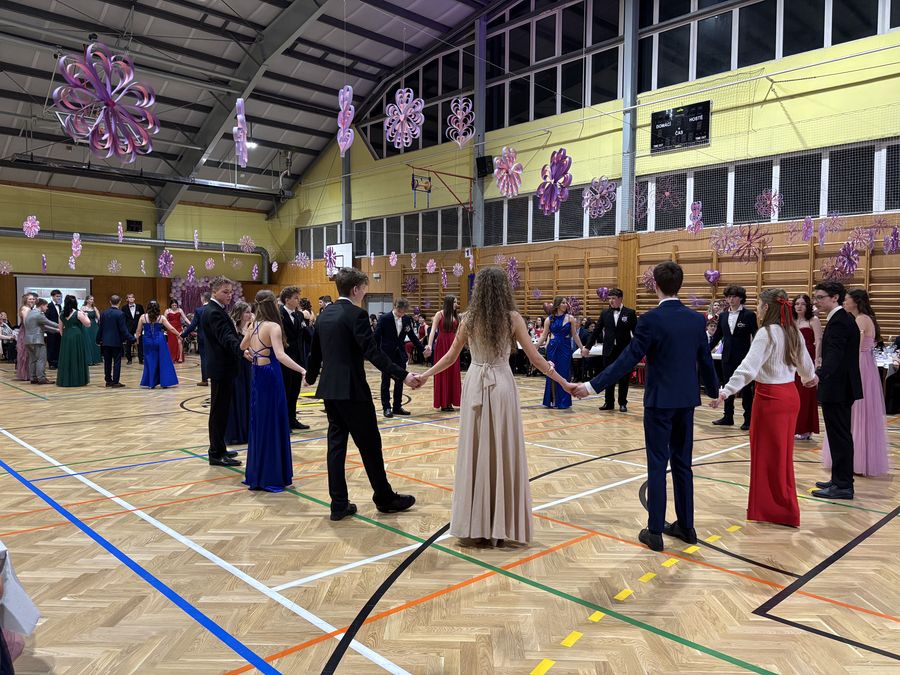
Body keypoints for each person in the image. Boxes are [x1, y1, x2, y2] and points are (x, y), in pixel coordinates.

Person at [570, 262, 719, 552]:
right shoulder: (696, 319)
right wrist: (715, 392)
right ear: (679, 285)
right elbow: (704, 359)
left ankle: (655, 531)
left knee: (657, 463)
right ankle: (687, 526)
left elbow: (627, 359)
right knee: (683, 464)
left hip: (659, 401)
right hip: (686, 400)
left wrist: (591, 386)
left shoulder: (651, 320)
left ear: (656, 286)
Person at [417, 267, 569, 545]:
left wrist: (425, 375)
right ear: (503, 290)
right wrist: (564, 382)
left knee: (475, 449)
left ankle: (475, 523)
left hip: (476, 382)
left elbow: (450, 357)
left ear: (479, 291)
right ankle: (500, 523)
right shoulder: (512, 318)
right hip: (501, 384)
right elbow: (536, 359)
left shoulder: (468, 318)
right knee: (502, 447)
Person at [304, 267, 418, 521]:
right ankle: (384, 498)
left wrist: (310, 377)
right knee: (370, 446)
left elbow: (315, 353)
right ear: (355, 289)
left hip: (330, 391)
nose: (365, 294)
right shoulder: (357, 314)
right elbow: (373, 353)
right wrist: (403, 375)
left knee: (336, 447)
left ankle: (338, 504)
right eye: (364, 289)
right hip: (353, 391)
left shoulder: (324, 314)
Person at [711, 289, 817, 527]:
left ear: (767, 308)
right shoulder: (793, 331)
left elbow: (748, 368)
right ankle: (780, 507)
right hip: (790, 397)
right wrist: (810, 377)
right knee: (781, 456)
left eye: (759, 305)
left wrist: (726, 391)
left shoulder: (766, 333)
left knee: (767, 456)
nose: (757, 309)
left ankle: (776, 509)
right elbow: (806, 367)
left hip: (771, 399)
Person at [240, 291, 308, 492]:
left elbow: (242, 346)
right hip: (270, 375)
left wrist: (250, 353)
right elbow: (280, 355)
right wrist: (302, 369)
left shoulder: (253, 325)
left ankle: (257, 473)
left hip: (257, 375)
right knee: (273, 423)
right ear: (273, 305)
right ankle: (272, 475)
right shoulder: (273, 326)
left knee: (260, 422)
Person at [822, 289, 889, 477]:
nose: (844, 303)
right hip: (865, 364)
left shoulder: (860, 320)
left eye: (847, 300)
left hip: (859, 365)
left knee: (855, 412)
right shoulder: (864, 318)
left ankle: (854, 461)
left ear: (856, 302)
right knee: (859, 412)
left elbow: (853, 347)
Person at [811, 282, 862, 500]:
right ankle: (839, 479)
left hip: (838, 387)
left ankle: (843, 485)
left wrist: (819, 376)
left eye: (820, 297)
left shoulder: (840, 321)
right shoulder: (840, 318)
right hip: (839, 386)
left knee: (840, 436)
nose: (817, 301)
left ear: (835, 297)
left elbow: (835, 355)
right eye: (816, 297)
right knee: (838, 436)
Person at [201, 278, 247, 467]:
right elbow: (226, 337)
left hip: (223, 367)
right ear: (214, 292)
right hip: (221, 368)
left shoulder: (217, 309)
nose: (229, 295)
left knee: (222, 411)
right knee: (218, 412)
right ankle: (215, 453)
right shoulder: (213, 312)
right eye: (225, 292)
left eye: (230, 292)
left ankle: (220, 448)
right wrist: (242, 350)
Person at [709, 285, 757, 430]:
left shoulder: (749, 315)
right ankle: (728, 416)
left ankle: (748, 419)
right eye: (728, 297)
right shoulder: (723, 316)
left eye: (734, 296)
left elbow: (756, 336)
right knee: (727, 386)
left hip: (744, 357)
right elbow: (717, 336)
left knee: (746, 389)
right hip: (727, 357)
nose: (731, 299)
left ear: (741, 298)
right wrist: (705, 350)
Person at [583, 288, 637, 412]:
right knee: (608, 376)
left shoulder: (630, 313)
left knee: (624, 377)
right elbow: (596, 331)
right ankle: (609, 402)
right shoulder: (605, 313)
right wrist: (587, 347)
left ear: (620, 299)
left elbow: (636, 332)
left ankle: (622, 403)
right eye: (609, 298)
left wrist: (636, 349)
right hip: (609, 351)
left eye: (613, 298)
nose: (611, 301)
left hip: (624, 351)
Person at [374, 297, 425, 418]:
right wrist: (376, 353)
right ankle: (386, 407)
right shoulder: (384, 318)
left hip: (400, 354)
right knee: (385, 381)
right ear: (395, 307)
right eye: (399, 311)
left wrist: (422, 350)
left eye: (403, 312)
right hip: (386, 355)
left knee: (400, 381)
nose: (401, 314)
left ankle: (397, 406)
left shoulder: (406, 319)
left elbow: (412, 336)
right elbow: (376, 336)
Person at [536, 297, 585, 409]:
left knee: (564, 373)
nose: (565, 304)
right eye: (563, 303)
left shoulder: (570, 318)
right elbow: (544, 336)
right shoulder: (549, 319)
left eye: (566, 303)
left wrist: (582, 348)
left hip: (565, 348)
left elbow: (575, 335)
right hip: (553, 348)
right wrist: (535, 346)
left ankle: (563, 402)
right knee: (551, 372)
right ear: (557, 305)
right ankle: (553, 400)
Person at [279, 286, 310, 431]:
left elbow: (305, 334)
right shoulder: (279, 315)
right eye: (296, 298)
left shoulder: (298, 315)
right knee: (285, 391)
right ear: (287, 300)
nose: (298, 300)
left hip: (298, 358)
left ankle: (292, 419)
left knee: (295, 392)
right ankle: (283, 421)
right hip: (285, 359)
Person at [792, 294, 822, 440]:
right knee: (794, 394)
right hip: (793, 360)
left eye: (802, 304)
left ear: (808, 306)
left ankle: (806, 428)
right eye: (797, 304)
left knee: (806, 394)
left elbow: (819, 341)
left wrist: (817, 360)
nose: (799, 306)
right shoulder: (791, 321)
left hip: (808, 358)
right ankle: (794, 426)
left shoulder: (813, 320)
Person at [426, 295, 462, 412]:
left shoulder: (456, 316)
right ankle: (444, 402)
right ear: (449, 303)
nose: (456, 304)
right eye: (455, 302)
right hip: (442, 345)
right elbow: (433, 330)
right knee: (443, 371)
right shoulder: (439, 314)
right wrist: (429, 345)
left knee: (453, 372)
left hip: (454, 344)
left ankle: (451, 401)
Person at [225, 301, 254, 446]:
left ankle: (248, 431)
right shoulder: (233, 328)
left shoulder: (250, 327)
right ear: (240, 313)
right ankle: (237, 433)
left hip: (249, 366)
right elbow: (232, 347)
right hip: (237, 366)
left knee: (248, 396)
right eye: (247, 312)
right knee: (238, 397)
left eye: (250, 312)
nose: (249, 315)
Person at [135, 300, 181, 389]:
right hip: (159, 340)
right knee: (163, 361)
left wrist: (137, 340)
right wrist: (179, 335)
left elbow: (138, 331)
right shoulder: (161, 317)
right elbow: (171, 328)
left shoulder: (143, 317)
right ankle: (164, 382)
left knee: (150, 361)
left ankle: (151, 383)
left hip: (147, 341)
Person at [97, 294, 135, 388]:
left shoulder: (103, 313)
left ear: (110, 302)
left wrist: (98, 339)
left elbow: (100, 328)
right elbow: (123, 330)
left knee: (107, 362)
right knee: (117, 362)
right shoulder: (120, 314)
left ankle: (108, 380)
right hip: (116, 341)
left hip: (105, 342)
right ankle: (115, 381)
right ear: (120, 302)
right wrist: (132, 338)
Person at [56, 295, 91, 387]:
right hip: (77, 336)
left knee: (66, 358)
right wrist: (85, 315)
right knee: (77, 357)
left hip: (66, 336)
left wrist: (65, 337)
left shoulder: (61, 314)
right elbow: (88, 324)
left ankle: (66, 380)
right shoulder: (78, 313)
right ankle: (77, 380)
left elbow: (60, 329)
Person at [23, 299, 60, 385]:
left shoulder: (30, 313)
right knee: (41, 359)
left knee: (32, 360)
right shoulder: (39, 315)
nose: (47, 308)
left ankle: (33, 377)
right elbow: (49, 323)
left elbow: (43, 327)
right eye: (46, 306)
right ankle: (41, 378)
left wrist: (57, 330)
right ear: (42, 305)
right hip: (37, 340)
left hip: (28, 340)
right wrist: (61, 325)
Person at [182, 292, 211, 386]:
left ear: (203, 298)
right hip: (214, 338)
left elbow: (192, 325)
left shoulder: (199, 310)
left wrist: (183, 335)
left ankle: (204, 380)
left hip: (203, 338)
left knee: (204, 358)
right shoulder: (214, 309)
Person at [15, 294, 35, 381]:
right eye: (30, 299)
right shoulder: (25, 309)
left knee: (27, 354)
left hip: (26, 332)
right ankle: (26, 374)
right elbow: (26, 322)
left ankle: (29, 374)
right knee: (25, 354)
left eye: (33, 299)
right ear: (25, 300)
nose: (32, 300)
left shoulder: (28, 308)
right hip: (26, 332)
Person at [122, 293, 144, 365]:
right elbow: (123, 319)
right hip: (128, 329)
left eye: (132, 297)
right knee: (128, 344)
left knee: (140, 344)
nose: (131, 298)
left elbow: (143, 316)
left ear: (134, 298)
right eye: (129, 297)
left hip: (138, 327)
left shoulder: (139, 307)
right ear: (127, 299)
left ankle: (141, 359)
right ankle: (129, 359)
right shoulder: (124, 308)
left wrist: (142, 327)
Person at [165, 299, 188, 363]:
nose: (174, 306)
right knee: (172, 343)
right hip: (171, 328)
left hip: (179, 328)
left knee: (179, 341)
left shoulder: (180, 310)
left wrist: (191, 324)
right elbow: (165, 320)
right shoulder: (167, 311)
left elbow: (185, 318)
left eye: (175, 305)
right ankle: (172, 357)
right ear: (171, 305)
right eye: (173, 305)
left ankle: (180, 357)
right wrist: (166, 329)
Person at [81, 296, 102, 366]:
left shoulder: (94, 308)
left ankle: (96, 360)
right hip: (86, 326)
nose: (92, 300)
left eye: (93, 299)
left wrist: (96, 311)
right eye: (91, 299)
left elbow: (99, 318)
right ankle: (89, 360)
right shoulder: (83, 308)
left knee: (95, 342)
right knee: (87, 342)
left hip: (94, 326)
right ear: (87, 300)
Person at [45, 290, 63, 369]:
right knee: (51, 346)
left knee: (58, 346)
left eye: (59, 296)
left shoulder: (60, 306)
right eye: (57, 296)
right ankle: (51, 363)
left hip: (59, 329)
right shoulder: (48, 306)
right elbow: (46, 319)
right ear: (52, 297)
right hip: (51, 330)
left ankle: (57, 362)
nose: (58, 298)